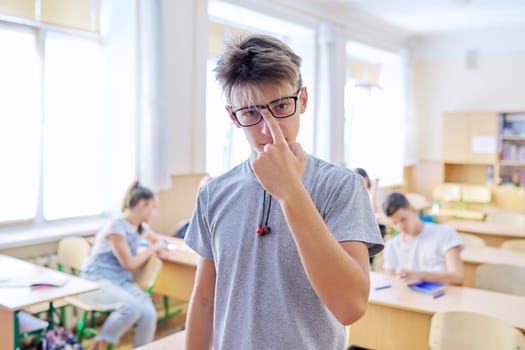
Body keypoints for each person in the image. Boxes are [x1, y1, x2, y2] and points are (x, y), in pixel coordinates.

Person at [184, 34, 384, 350]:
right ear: (233, 117)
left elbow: (351, 307)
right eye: (251, 113)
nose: (268, 129)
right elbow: (205, 301)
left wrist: (291, 192)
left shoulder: (342, 187)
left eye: (280, 106)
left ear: (302, 100)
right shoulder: (214, 194)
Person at [81, 181, 168, 349]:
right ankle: (99, 346)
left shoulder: (140, 227)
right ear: (143, 205)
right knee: (130, 308)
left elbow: (158, 240)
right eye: (153, 207)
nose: (155, 213)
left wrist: (159, 248)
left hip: (120, 282)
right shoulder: (116, 227)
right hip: (96, 280)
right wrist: (153, 249)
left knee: (149, 314)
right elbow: (129, 264)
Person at [382, 191, 464, 285]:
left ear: (413, 210)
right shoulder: (391, 245)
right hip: (407, 298)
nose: (401, 227)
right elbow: (390, 281)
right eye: (395, 223)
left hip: (441, 297)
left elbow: (458, 277)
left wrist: (421, 276)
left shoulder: (445, 233)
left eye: (403, 219)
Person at [354, 167, 386, 237]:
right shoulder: (362, 191)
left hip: (379, 224)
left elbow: (375, 210)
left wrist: (374, 191)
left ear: (365, 179)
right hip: (369, 223)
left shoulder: (378, 190)